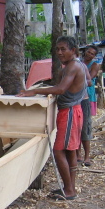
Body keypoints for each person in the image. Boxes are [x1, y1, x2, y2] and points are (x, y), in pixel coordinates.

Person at [17, 36, 86, 200]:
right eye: (57, 49)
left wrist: (34, 91)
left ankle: (69, 190)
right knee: (70, 151)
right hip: (73, 110)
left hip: (69, 112)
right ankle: (70, 188)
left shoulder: (73, 66)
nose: (59, 52)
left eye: (63, 49)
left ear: (73, 50)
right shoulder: (78, 65)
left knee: (58, 151)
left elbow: (61, 89)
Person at [77, 45, 100, 166]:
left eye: (92, 53)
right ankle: (78, 154)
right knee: (77, 127)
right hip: (77, 96)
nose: (89, 54)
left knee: (86, 126)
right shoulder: (79, 62)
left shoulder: (94, 65)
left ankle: (87, 156)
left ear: (94, 56)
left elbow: (90, 78)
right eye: (88, 52)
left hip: (87, 95)